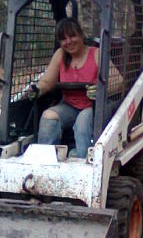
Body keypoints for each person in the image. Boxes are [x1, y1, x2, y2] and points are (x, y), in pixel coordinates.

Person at [28, 18, 99, 158]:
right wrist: (37, 89)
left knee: (83, 120)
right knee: (48, 116)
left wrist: (100, 89)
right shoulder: (60, 55)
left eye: (72, 36)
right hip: (69, 105)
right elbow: (48, 81)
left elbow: (117, 81)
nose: (69, 41)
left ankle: (82, 160)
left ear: (81, 34)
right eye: (63, 39)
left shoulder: (96, 53)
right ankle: (44, 159)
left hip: (92, 106)